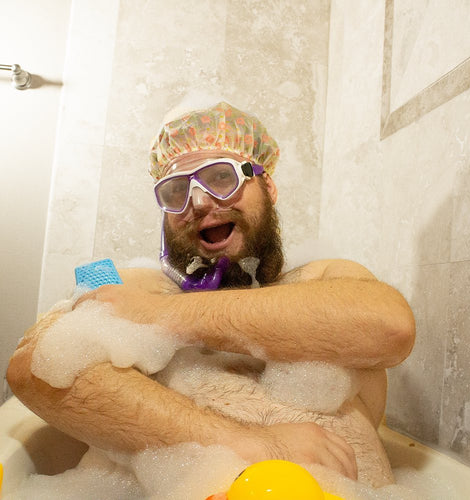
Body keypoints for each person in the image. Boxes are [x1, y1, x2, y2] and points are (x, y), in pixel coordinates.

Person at [7, 101, 415, 488]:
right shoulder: (140, 285)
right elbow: (32, 365)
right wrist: (256, 446)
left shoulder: (322, 278)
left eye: (222, 177)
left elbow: (391, 327)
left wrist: (163, 317)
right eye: (175, 191)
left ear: (267, 185)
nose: (199, 202)